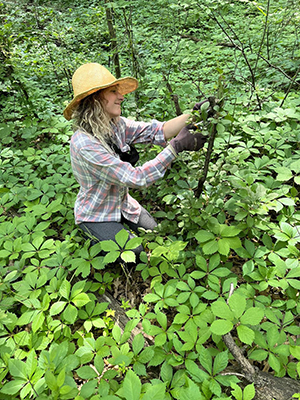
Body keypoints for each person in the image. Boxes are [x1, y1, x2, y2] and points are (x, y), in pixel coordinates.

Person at [63, 63, 207, 255]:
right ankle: (94, 237)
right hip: (96, 214)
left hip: (123, 205)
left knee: (155, 234)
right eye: (114, 91)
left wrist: (194, 115)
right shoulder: (84, 144)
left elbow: (158, 130)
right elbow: (136, 178)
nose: (121, 96)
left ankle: (120, 229)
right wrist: (177, 146)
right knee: (135, 252)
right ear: (95, 98)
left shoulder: (115, 125)